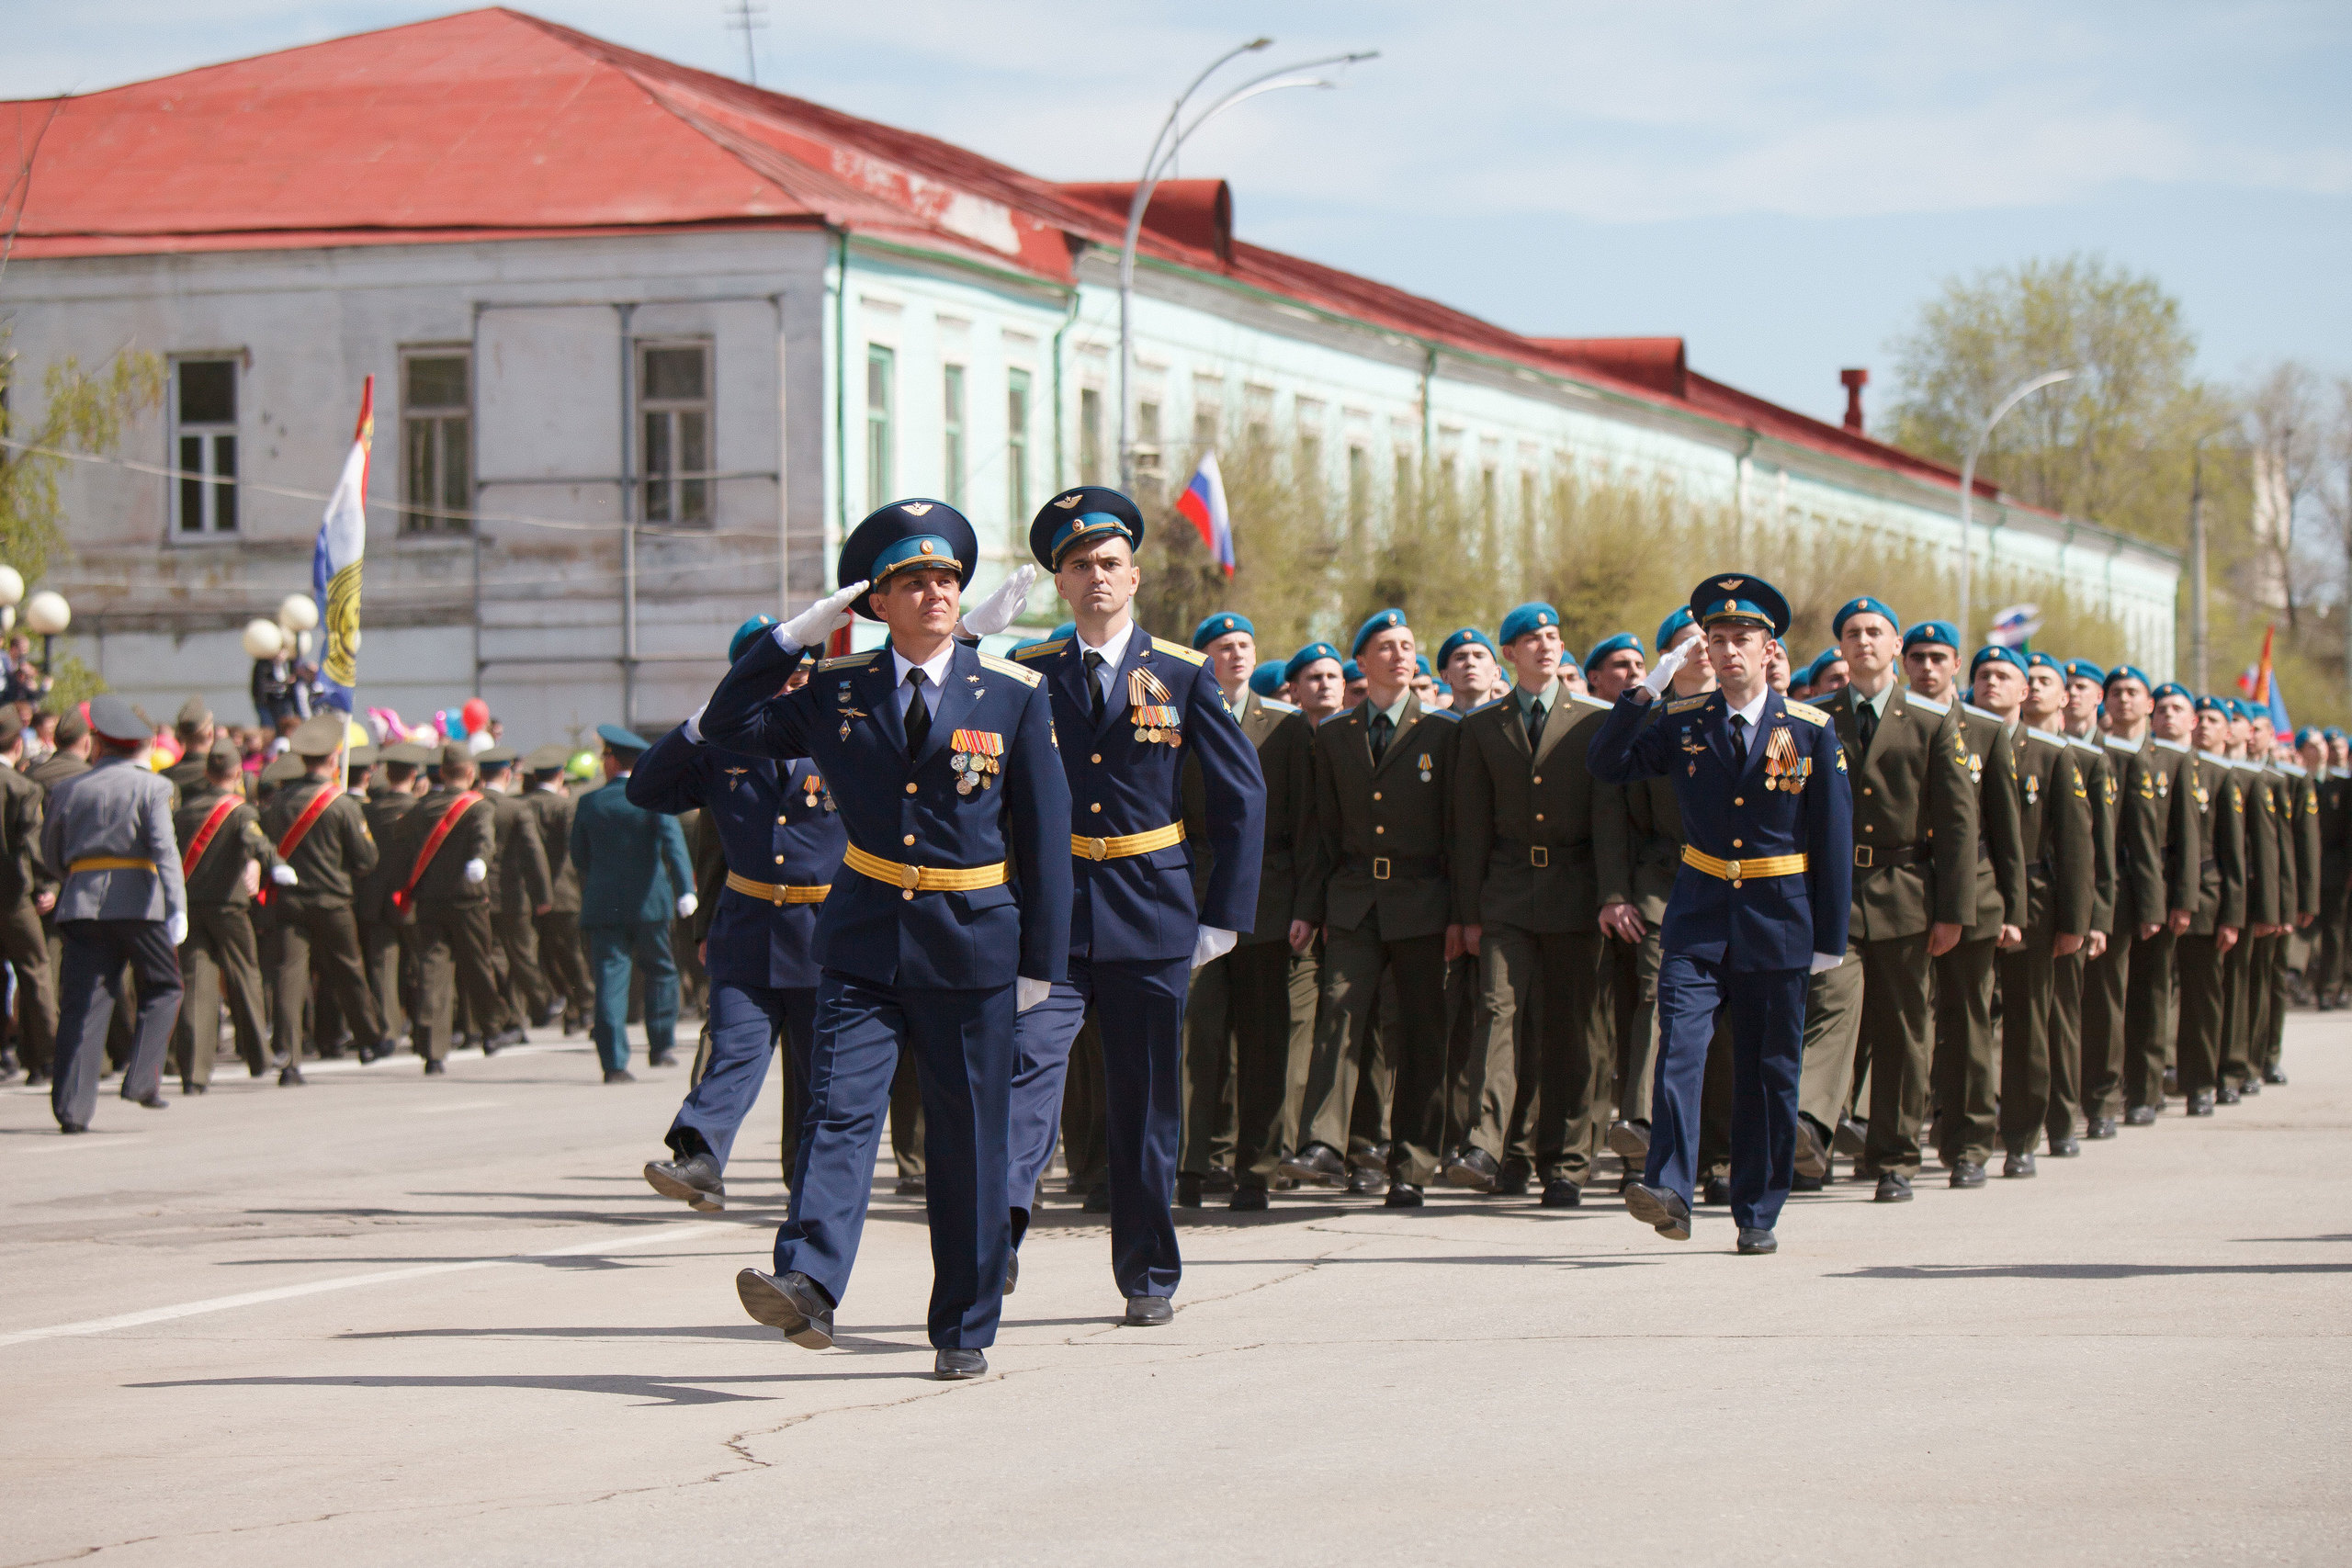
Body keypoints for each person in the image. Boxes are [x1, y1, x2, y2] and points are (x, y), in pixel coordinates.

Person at [700, 497, 1071, 1381]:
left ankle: (964, 1324)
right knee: (838, 1113)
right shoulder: (835, 692)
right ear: (876, 601)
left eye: (946, 578)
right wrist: (791, 637)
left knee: (968, 1141)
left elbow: (1045, 837)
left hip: (975, 941)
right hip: (866, 938)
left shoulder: (1012, 694)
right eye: (913, 581)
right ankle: (809, 1282)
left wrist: (1040, 968)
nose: (936, 592)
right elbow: (726, 728)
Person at [1006, 489, 1263, 1323]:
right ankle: (995, 1239)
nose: (1095, 578)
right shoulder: (1028, 675)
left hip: (1153, 916)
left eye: (1109, 563)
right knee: (1024, 1082)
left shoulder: (1183, 675)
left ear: (1136, 575)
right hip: (1052, 919)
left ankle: (1148, 1272)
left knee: (1146, 1101)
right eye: (1078, 566)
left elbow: (1240, 798)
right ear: (1059, 582)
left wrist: (1222, 914)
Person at [1587, 573, 1852, 1253]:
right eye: (1716, 639)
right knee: (1680, 1042)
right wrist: (1645, 689)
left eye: (1742, 639)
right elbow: (1608, 762)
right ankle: (1670, 1187)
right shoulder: (1682, 722)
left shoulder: (1811, 730)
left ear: (1769, 650)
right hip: (1700, 912)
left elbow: (1832, 840)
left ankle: (1758, 1207)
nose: (1728, 650)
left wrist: (1829, 936)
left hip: (1778, 917)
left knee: (1768, 1068)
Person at [631, 615, 846, 1213]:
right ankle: (700, 1158)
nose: (784, 689)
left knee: (820, 1085)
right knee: (732, 1051)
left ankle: (814, 1200)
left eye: (795, 676)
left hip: (828, 939)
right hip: (746, 934)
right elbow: (645, 789)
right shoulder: (722, 747)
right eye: (766, 681)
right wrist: (698, 727)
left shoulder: (846, 739)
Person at [1792, 598, 1977, 1202]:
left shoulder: (1931, 719)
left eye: (1875, 632)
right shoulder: (1810, 716)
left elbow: (1956, 823)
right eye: (1853, 633)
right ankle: (1810, 1126)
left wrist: (1953, 911)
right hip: (1834, 895)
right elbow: (1787, 807)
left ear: (1895, 645)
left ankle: (1894, 1154)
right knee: (1829, 1008)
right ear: (1840, 648)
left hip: (1906, 891)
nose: (1864, 641)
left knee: (1903, 1026)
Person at [1281, 607, 1461, 1207]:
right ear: (1362, 661)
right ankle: (1325, 1143)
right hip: (1355, 897)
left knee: (1418, 1035)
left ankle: (1410, 1161)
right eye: (1386, 646)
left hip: (1422, 901)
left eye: (1408, 644)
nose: (1400, 654)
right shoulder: (1334, 735)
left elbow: (1459, 835)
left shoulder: (1443, 733)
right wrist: (1313, 905)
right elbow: (1320, 831)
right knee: (1339, 1012)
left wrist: (1462, 915)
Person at [1446, 603, 1619, 1206]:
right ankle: (1489, 1146)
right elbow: (1470, 829)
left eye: (1551, 635)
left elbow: (1609, 821)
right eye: (1529, 639)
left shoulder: (1595, 721)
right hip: (1507, 891)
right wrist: (1468, 914)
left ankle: (1564, 1161)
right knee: (1499, 1014)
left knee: (1571, 1030)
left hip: (1576, 891)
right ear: (1509, 655)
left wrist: (1611, 893)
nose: (1544, 645)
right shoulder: (1481, 726)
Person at [1176, 612, 1314, 1214]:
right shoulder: (1179, 721)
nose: (1235, 654)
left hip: (1268, 898)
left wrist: (1307, 905)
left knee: (1263, 1043)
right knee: (1195, 1041)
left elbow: (1309, 825)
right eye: (1222, 647)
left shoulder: (1285, 726)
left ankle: (1255, 1168)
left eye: (1244, 645)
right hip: (1198, 900)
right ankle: (1189, 1164)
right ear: (1202, 657)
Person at [40, 694, 187, 1134]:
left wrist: (79, 878)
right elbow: (164, 849)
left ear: (99, 744)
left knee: (83, 1004)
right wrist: (176, 904)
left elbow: (51, 851)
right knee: (164, 986)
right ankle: (142, 1079)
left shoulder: (69, 788)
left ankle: (72, 1109)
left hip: (82, 902)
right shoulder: (153, 787)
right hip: (139, 903)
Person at [1977, 648, 2092, 1175]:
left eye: (2003, 676)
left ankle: (2023, 1133)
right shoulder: (1958, 741)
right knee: (1969, 1015)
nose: (1991, 684)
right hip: (1973, 896)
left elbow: (2074, 847)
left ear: (2024, 691)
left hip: (2037, 903)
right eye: (1983, 676)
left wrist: (2075, 922)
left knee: (2029, 1019)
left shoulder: (2050, 754)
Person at [1920, 637, 2024, 1189]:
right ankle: (1910, 1131)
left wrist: (2014, 907)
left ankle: (1971, 1142)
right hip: (1906, 892)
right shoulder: (1897, 723)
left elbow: (2006, 833)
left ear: (1955, 666)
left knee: (1967, 1025)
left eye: (1939, 659)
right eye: (1918, 658)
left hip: (1977, 899)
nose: (1928, 667)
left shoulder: (1984, 732)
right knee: (1913, 1023)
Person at [259, 714, 395, 1083]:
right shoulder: (341, 805)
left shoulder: (279, 803)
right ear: (334, 760)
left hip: (290, 900)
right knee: (348, 970)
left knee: (290, 976)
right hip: (333, 900)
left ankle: (288, 1056)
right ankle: (369, 1039)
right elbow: (367, 858)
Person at [570, 725, 695, 1083]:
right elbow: (673, 845)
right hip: (650, 902)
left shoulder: (589, 802)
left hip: (603, 903)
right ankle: (661, 1046)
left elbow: (579, 856)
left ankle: (614, 1063)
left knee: (610, 978)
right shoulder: (652, 796)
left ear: (611, 760)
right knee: (661, 971)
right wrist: (686, 889)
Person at [2101, 667, 2197, 1127]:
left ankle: (2145, 1089)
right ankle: (2103, 1091)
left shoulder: (2172, 760)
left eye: (2132, 693)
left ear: (2148, 706)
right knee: (2106, 996)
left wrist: (2181, 901)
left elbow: (2186, 838)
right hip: (2109, 886)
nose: (2123, 700)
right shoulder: (2093, 753)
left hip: (2155, 887)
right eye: (2115, 692)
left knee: (2150, 994)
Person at [380, 743, 503, 1076]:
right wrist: (479, 861)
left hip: (430, 898)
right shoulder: (478, 807)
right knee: (477, 964)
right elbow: (484, 841)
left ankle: (433, 1051)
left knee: (432, 971)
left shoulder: (421, 809)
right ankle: (490, 1030)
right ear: (469, 772)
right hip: (468, 899)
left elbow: (402, 847)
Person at [169, 738, 283, 1091]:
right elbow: (256, 842)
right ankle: (258, 1056)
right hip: (228, 906)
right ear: (236, 773)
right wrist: (273, 864)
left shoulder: (184, 810)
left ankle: (194, 1071)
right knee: (244, 976)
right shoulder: (241, 811)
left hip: (191, 905)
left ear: (206, 772)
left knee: (196, 984)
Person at [2174, 694, 2246, 1117]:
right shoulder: (2159, 764)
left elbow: (2232, 853)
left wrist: (2232, 915)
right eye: (2197, 718)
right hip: (2158, 898)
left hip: (2206, 900)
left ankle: (2203, 1081)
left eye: (2211, 720)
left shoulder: (2221, 777)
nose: (2201, 726)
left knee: (2203, 997)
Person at [478, 747, 555, 1034]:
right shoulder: (514, 807)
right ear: (507, 774)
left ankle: (510, 1015)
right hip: (512, 894)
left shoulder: (469, 804)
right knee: (523, 954)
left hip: (478, 893)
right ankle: (540, 1003)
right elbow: (533, 852)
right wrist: (543, 894)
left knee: (494, 956)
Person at [0, 710, 56, 1086]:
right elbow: (31, 845)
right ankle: (45, 1058)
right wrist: (46, 885)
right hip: (12, 895)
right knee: (36, 970)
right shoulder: (21, 786)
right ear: (18, 745)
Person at [524, 744, 593, 1032]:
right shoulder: (566, 807)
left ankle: (568, 1004)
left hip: (528, 893)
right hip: (564, 890)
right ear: (560, 774)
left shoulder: (523, 804)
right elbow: (575, 848)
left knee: (543, 956)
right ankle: (584, 1007)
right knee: (572, 954)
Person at [1437, 627, 1508, 713]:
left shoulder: (1516, 723)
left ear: (1496, 673)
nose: (1470, 663)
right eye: (1460, 658)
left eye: (1479, 656)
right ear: (1445, 676)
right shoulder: (1432, 725)